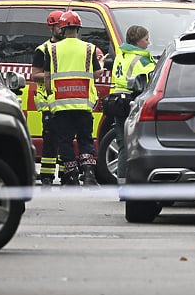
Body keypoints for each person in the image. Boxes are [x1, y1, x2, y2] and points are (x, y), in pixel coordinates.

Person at [45, 10, 103, 186]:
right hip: (83, 104)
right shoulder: (89, 48)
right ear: (78, 28)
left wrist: (50, 94)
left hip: (61, 105)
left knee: (65, 141)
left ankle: (71, 176)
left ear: (62, 28)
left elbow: (47, 77)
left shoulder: (52, 49)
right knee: (85, 139)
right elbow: (96, 73)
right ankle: (88, 173)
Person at [105, 25, 155, 185]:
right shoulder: (142, 59)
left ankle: (122, 185)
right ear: (138, 41)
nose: (148, 43)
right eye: (146, 39)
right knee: (137, 146)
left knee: (122, 146)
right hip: (132, 102)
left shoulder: (121, 54)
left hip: (116, 102)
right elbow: (153, 81)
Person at [32, 10, 65, 187]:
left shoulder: (70, 49)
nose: (63, 29)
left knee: (66, 139)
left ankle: (67, 174)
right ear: (51, 27)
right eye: (60, 26)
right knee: (50, 140)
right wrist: (52, 75)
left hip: (67, 100)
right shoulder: (42, 50)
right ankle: (47, 176)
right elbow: (34, 74)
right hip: (48, 102)